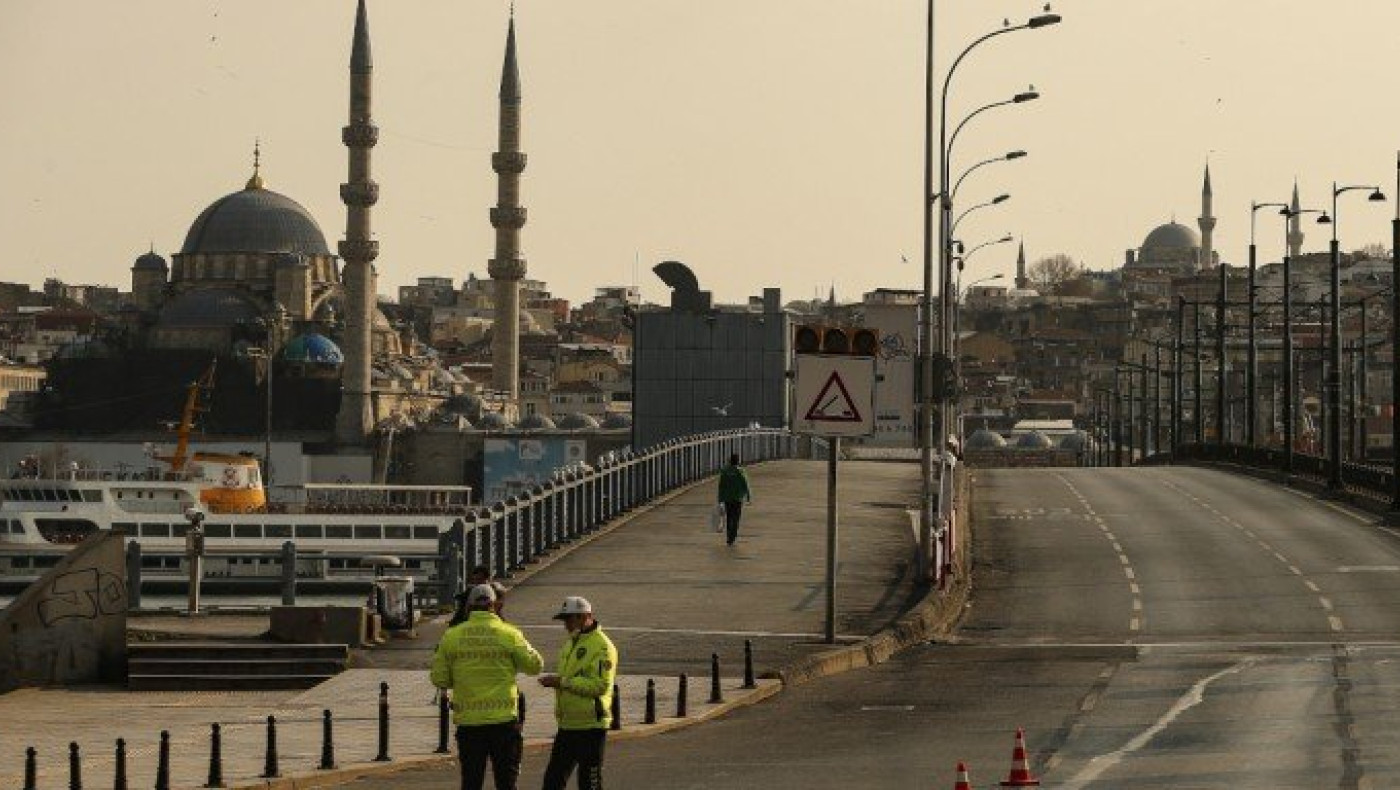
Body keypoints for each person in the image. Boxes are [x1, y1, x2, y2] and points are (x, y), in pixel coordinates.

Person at [431, 584, 543, 790]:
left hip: (469, 723)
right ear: (494, 606)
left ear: (469, 607)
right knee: (506, 782)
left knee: (471, 782)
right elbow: (535, 666)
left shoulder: (452, 636)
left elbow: (440, 679)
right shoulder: (510, 634)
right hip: (503, 722)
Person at [539, 596, 618, 790]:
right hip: (568, 724)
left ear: (586, 617)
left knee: (589, 783)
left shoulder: (602, 646)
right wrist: (559, 682)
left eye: (569, 619)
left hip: (591, 726)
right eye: (564, 620)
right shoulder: (571, 642)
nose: (566, 624)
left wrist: (562, 682)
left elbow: (600, 686)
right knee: (552, 781)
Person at [716, 453, 752, 546]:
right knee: (736, 519)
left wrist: (720, 498)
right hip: (737, 498)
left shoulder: (724, 471)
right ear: (738, 461)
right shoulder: (740, 471)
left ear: (729, 461)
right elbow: (745, 484)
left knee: (729, 517)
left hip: (727, 498)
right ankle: (732, 536)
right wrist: (748, 496)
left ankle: (729, 536)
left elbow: (721, 486)